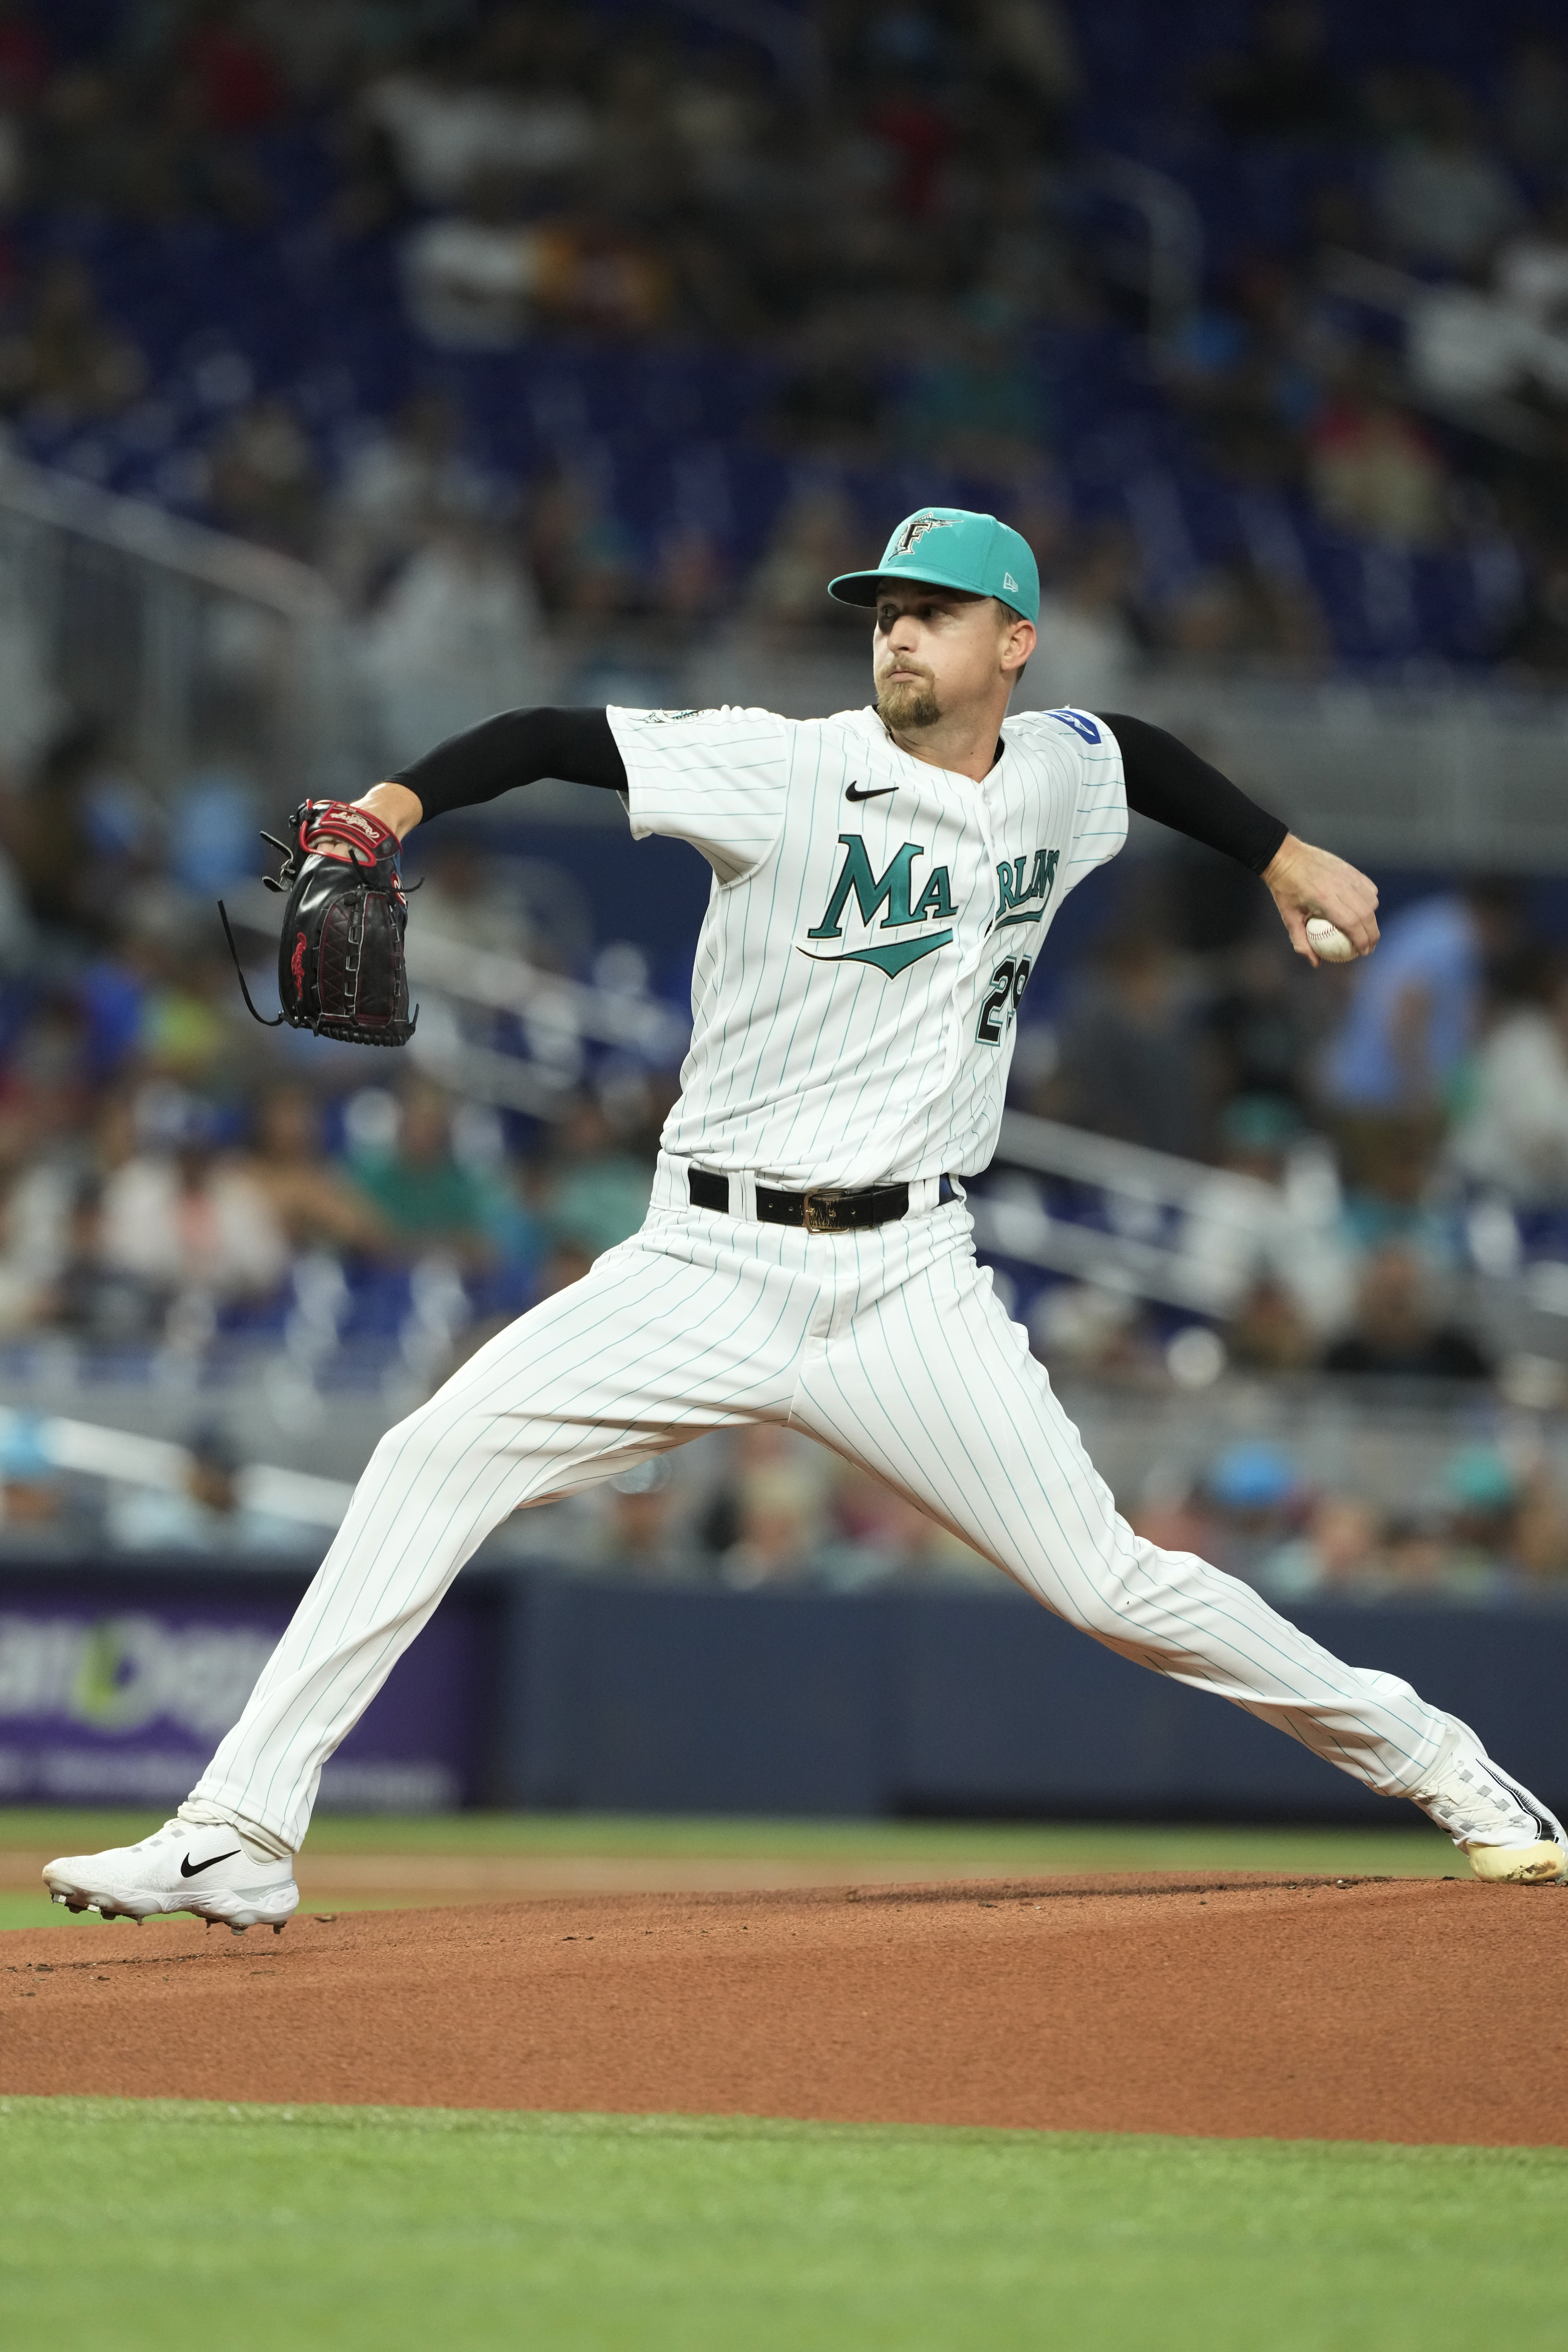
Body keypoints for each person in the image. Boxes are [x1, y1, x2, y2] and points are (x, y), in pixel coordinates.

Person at [46, 504, 1566, 1933]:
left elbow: (1146, 758)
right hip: (706, 1258)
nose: (899, 636)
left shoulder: (1053, 771)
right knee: (431, 1457)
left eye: (936, 614)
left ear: (1015, 642)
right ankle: (238, 1836)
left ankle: (1437, 1758)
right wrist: (391, 805)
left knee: (1113, 1584)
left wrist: (1284, 852)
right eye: (886, 614)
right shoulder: (778, 764)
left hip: (912, 1277)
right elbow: (552, 737)